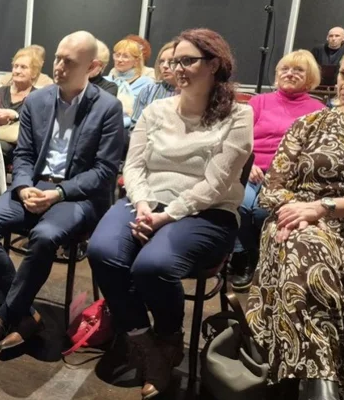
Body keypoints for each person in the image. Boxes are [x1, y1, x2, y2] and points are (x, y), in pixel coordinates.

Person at [86, 28, 253, 399]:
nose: (177, 69)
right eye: (175, 61)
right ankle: (143, 340)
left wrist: (167, 215)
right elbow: (134, 166)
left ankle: (168, 336)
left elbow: (217, 184)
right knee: (102, 251)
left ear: (214, 64)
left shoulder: (239, 115)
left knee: (153, 265)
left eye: (188, 61)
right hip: (148, 203)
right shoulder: (156, 110)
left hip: (208, 212)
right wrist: (143, 204)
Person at [0, 31, 125, 353]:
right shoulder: (37, 100)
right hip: (35, 186)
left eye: (69, 62)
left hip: (77, 196)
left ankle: (4, 317)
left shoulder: (107, 107)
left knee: (45, 235)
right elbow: (23, 154)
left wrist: (59, 193)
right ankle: (25, 314)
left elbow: (105, 171)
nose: (59, 66)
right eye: (58, 58)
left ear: (92, 67)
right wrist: (23, 186)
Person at [246, 40, 344, 400]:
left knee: (305, 254)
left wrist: (328, 207)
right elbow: (273, 189)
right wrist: (303, 213)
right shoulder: (309, 124)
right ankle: (322, 388)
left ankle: (315, 382)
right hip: (296, 227)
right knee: (305, 245)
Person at [229, 49, 325, 291]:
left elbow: (315, 152)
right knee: (238, 205)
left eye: (298, 70)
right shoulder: (259, 102)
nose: (290, 73)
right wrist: (247, 163)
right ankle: (244, 256)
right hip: (251, 169)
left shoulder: (318, 110)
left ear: (310, 77)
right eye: (285, 69)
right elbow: (240, 139)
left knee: (263, 211)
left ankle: (265, 257)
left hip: (287, 176)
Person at [0, 46, 42, 162]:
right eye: (15, 66)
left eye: (23, 67)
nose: (17, 71)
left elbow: (38, 128)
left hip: (20, 148)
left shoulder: (37, 97)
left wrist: (15, 116)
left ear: (34, 73)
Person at [130, 41, 178, 126]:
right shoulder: (148, 90)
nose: (165, 66)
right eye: (162, 61)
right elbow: (134, 125)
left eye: (172, 61)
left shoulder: (193, 93)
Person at [105, 39, 155, 116]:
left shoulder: (147, 84)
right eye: (117, 55)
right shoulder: (105, 80)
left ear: (136, 61)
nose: (119, 60)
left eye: (125, 56)